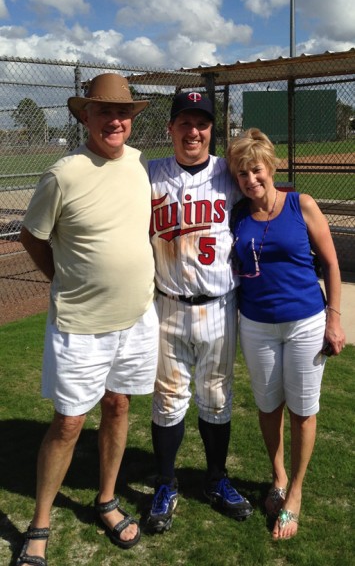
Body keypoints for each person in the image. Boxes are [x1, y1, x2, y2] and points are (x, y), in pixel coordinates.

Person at [17, 73, 159, 565]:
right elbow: (31, 236)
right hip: (81, 324)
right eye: (104, 112)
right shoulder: (64, 173)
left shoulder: (140, 165)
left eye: (122, 113)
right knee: (69, 423)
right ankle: (39, 523)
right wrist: (61, 279)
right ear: (85, 117)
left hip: (138, 317)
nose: (115, 120)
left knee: (118, 406)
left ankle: (106, 500)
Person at [227, 128, 346, 540]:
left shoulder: (302, 205)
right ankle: (277, 476)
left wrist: (334, 318)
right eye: (242, 173)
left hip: (305, 324)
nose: (250, 179)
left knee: (302, 409)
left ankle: (295, 491)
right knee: (268, 405)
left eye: (255, 170)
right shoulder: (238, 214)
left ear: (270, 167)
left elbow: (331, 265)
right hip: (256, 325)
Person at [147, 91, 253, 533]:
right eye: (185, 122)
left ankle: (215, 479)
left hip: (218, 306)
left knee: (216, 395)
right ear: (170, 128)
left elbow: (266, 199)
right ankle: (166, 483)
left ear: (213, 129)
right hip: (167, 303)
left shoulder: (229, 177)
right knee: (168, 399)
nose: (194, 131)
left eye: (202, 123)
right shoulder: (148, 175)